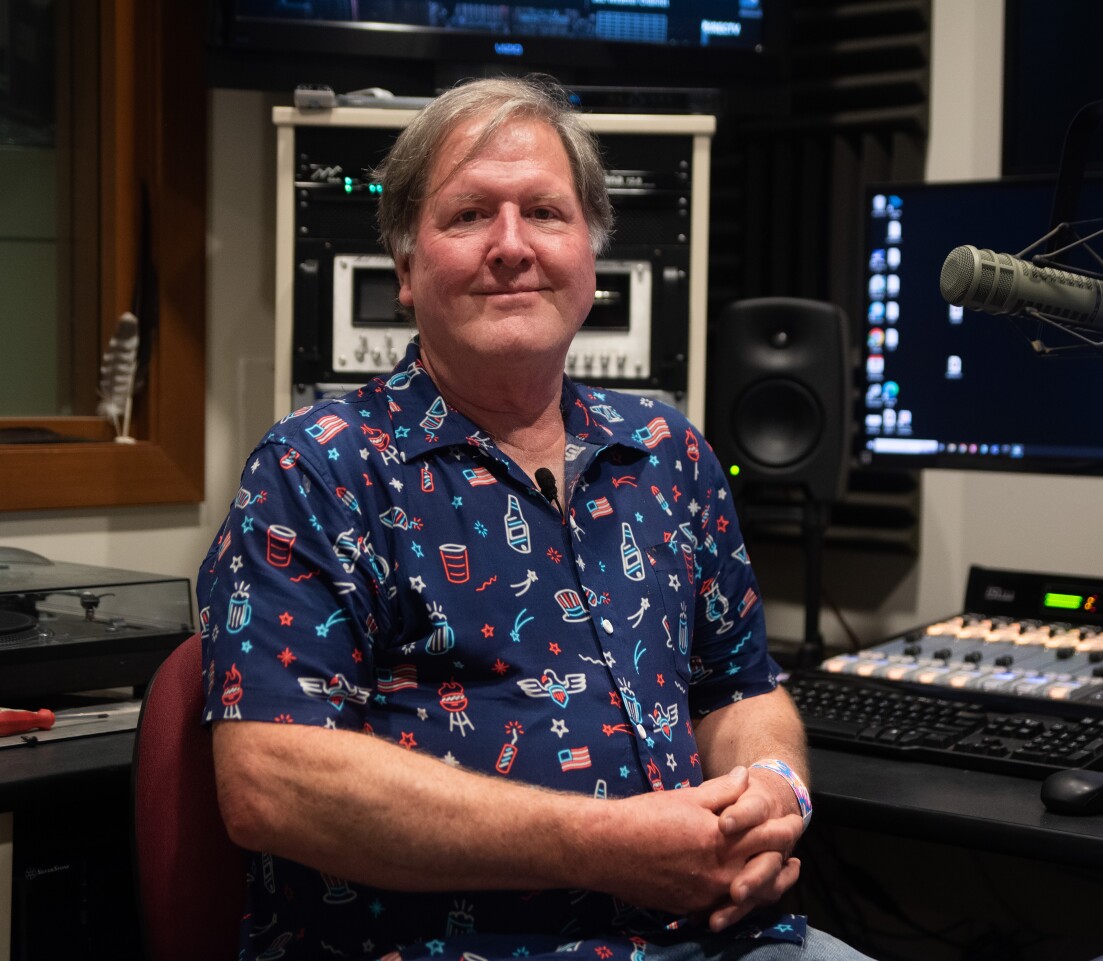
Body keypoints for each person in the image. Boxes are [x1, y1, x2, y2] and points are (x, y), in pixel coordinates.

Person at [198, 75, 861, 961]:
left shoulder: (669, 454)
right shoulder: (316, 469)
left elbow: (738, 687)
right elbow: (272, 780)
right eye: (469, 215)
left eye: (545, 213)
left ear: (591, 257)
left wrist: (775, 790)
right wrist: (607, 844)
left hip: (718, 936)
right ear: (404, 267)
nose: (512, 247)